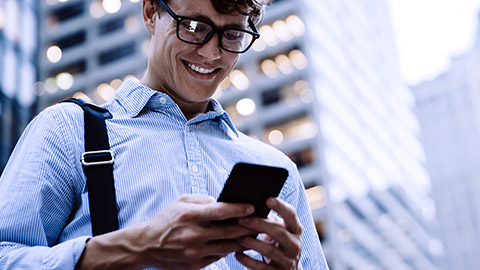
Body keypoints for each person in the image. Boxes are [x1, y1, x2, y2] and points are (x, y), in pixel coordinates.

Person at [0, 0, 329, 269]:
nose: (211, 53)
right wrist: (139, 246)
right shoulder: (69, 129)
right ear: (150, 12)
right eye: (194, 27)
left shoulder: (278, 170)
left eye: (231, 35)